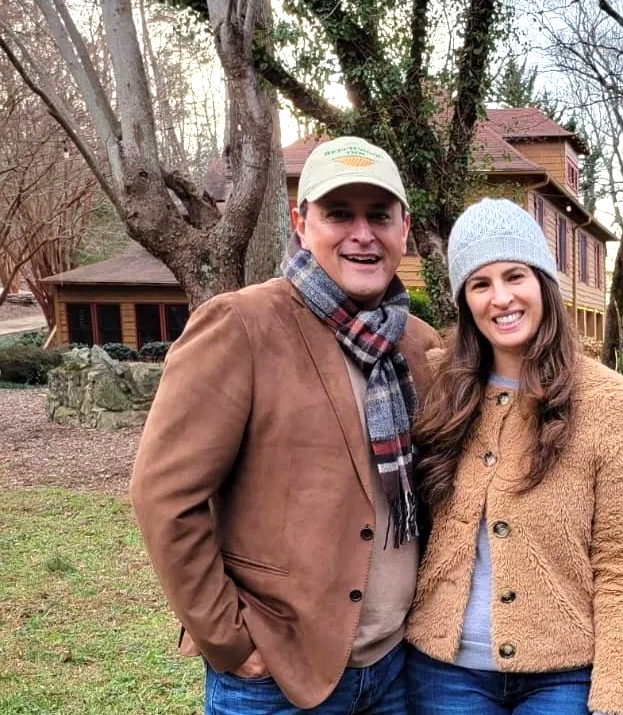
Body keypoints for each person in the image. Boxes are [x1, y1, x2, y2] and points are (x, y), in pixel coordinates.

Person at [129, 136, 440, 714]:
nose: (363, 234)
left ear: (404, 228)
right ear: (301, 223)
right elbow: (164, 495)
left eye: (379, 215)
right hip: (277, 679)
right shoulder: (240, 326)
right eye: (339, 214)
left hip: (397, 671)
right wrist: (230, 640)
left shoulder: (419, 346)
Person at [404, 198, 623, 715]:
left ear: (543, 282)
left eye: (514, 276)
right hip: (444, 672)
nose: (501, 298)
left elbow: (621, 561)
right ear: (464, 300)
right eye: (480, 284)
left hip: (562, 675)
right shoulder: (436, 385)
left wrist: (619, 697)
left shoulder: (609, 400)